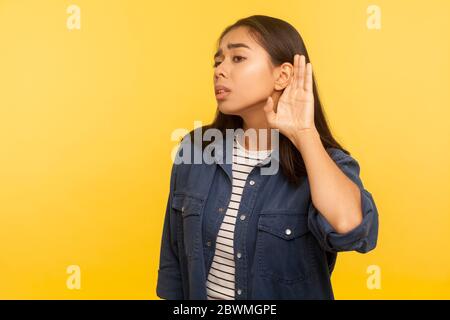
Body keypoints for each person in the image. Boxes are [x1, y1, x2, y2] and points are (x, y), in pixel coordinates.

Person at [156, 15, 379, 300]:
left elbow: (351, 228)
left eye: (237, 58)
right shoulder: (196, 150)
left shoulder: (323, 163)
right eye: (218, 61)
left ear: (283, 75)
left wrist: (305, 133)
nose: (220, 70)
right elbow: (173, 267)